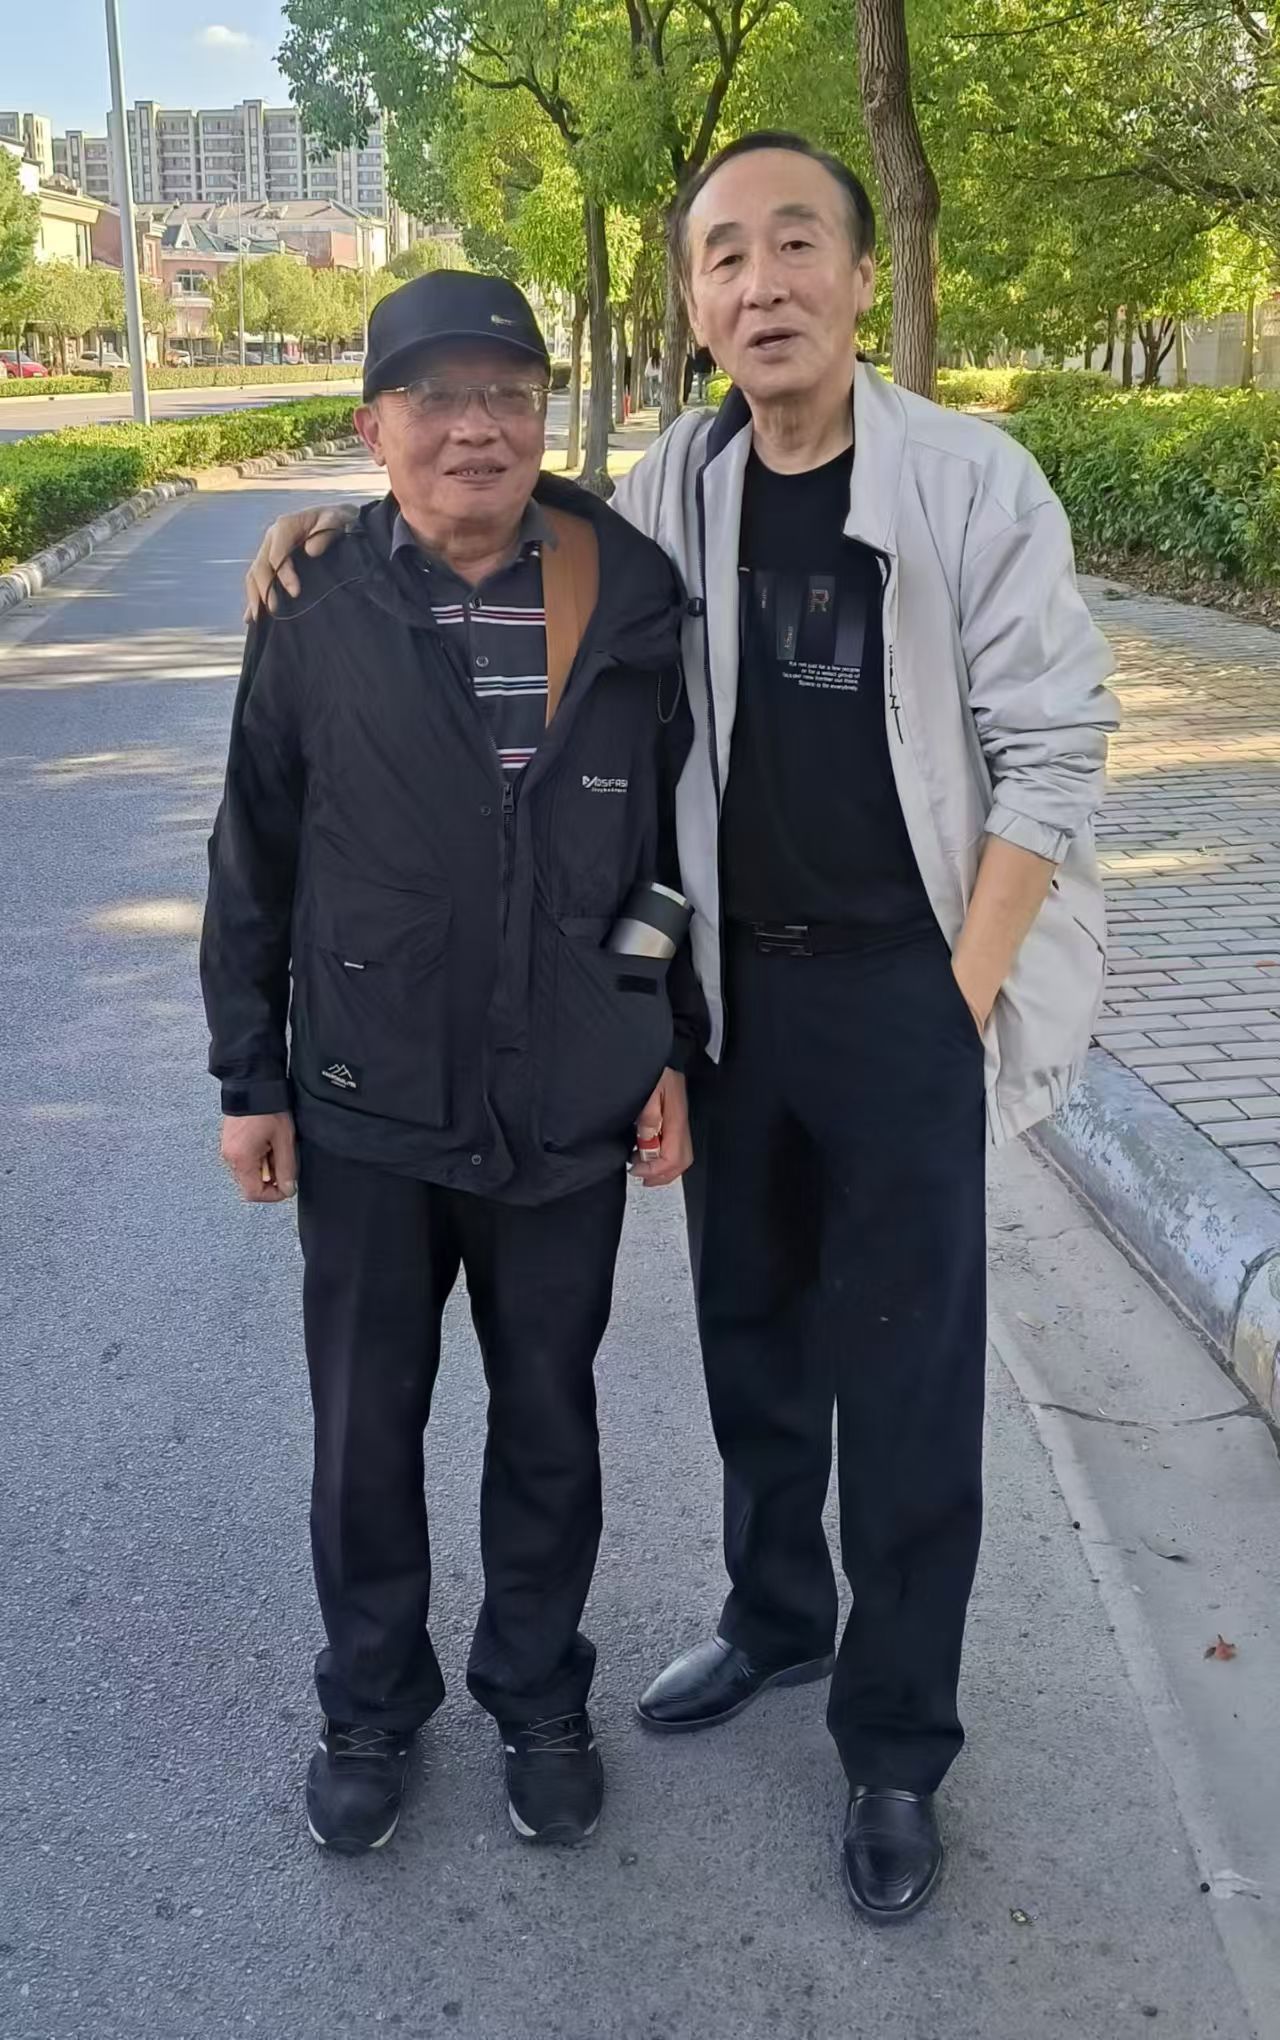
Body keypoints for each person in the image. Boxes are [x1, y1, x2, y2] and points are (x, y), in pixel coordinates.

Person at [243, 132, 1118, 1920]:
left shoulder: (973, 481)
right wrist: (328, 529)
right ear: (697, 302)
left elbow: (1055, 752)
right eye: (726, 255)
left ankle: (896, 1744)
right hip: (735, 999)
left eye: (797, 244)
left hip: (911, 985)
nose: (762, 282)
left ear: (860, 274)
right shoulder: (679, 482)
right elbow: (506, 505)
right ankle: (776, 1617)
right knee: (753, 1341)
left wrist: (956, 997)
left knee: (909, 1380)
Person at [203, 270, 697, 1858]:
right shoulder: (316, 599)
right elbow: (254, 852)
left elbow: (672, 850)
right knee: (366, 1432)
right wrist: (250, 1077)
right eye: (436, 396)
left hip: (567, 1103)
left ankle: (539, 1692)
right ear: (375, 427)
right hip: (366, 1102)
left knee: (549, 1421)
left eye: (508, 392)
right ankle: (369, 1702)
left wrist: (660, 1040)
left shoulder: (631, 591)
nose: (475, 426)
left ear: (546, 413)